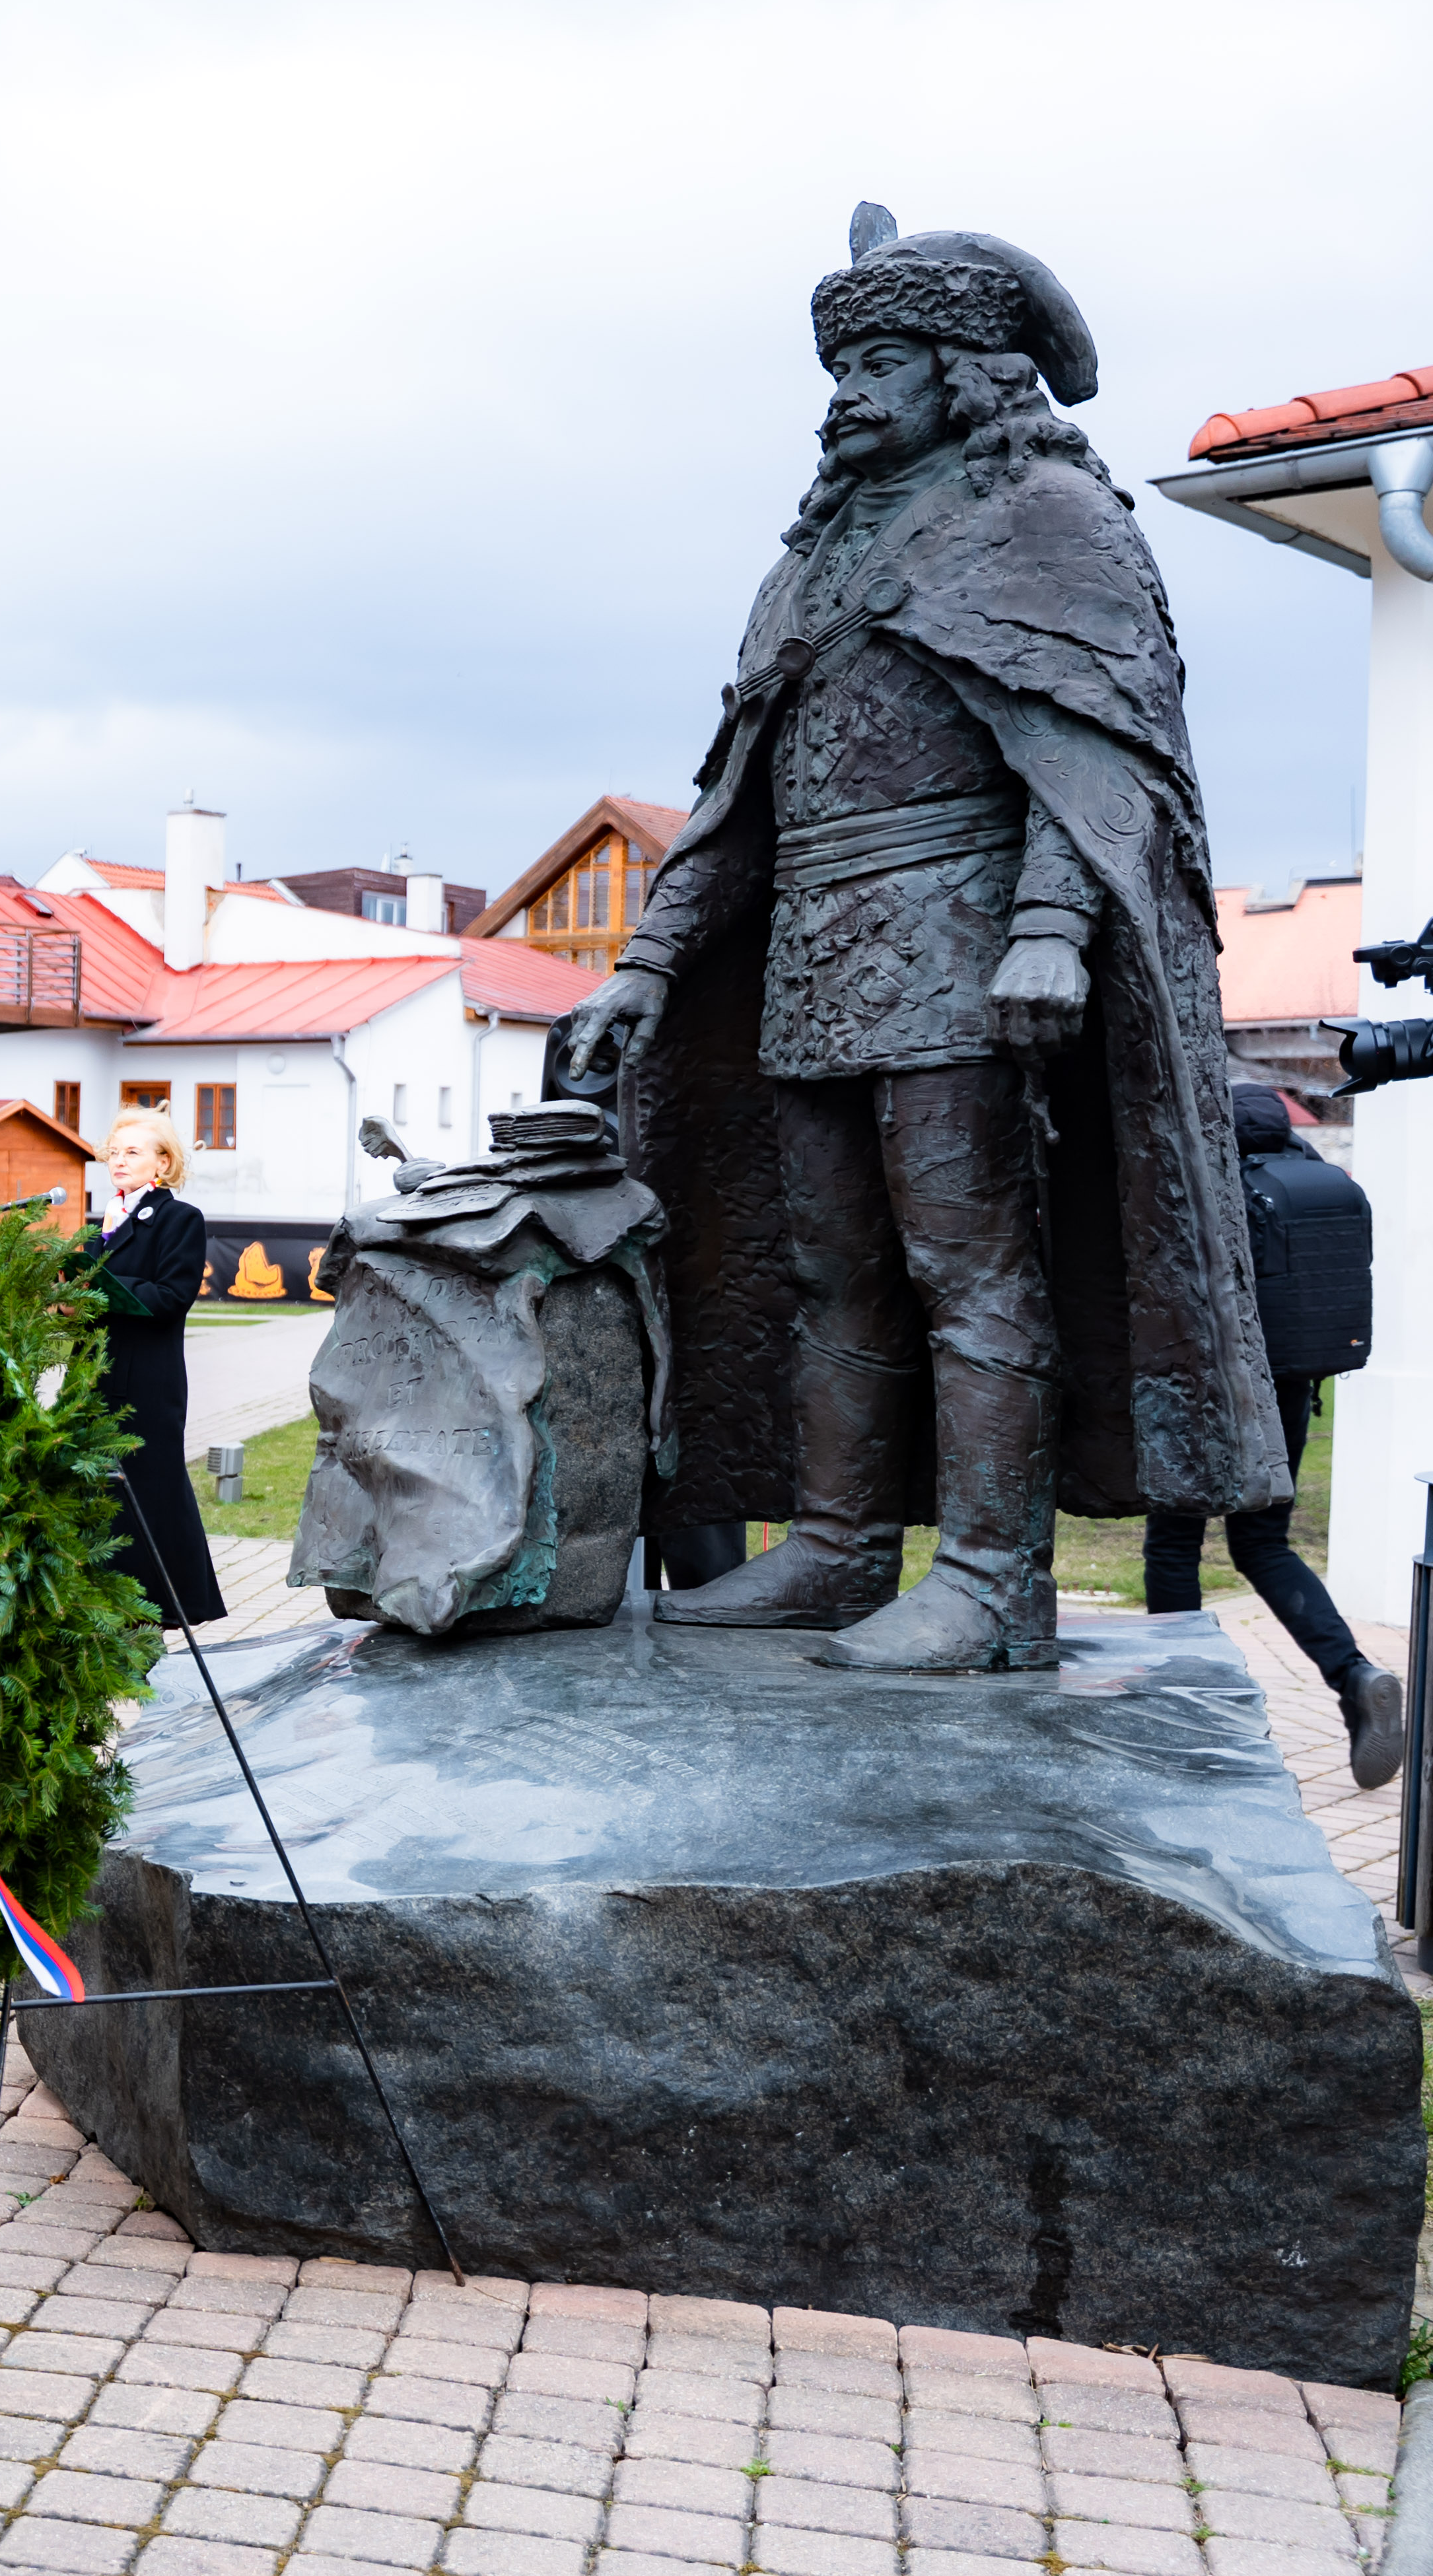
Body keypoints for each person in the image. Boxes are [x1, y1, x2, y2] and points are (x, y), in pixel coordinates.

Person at [558, 206, 1286, 1675]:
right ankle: (834, 1551)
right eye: (842, 364)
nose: (847, 392)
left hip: (965, 956)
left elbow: (1091, 760)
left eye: (881, 358)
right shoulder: (813, 562)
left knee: (971, 1265)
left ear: (966, 371)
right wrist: (646, 965)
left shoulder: (1052, 523)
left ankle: (993, 1575)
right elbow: (738, 798)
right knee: (831, 1270)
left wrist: (1046, 930)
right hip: (813, 959)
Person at [1143, 1084, 1401, 1784]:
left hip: (1204, 1386)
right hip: (1288, 1385)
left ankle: (1185, 1707)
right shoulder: (1311, 1166)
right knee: (1262, 1542)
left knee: (1174, 1542)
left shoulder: (1205, 1174)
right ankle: (1353, 1675)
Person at [74, 1112, 225, 1627]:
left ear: (163, 1162)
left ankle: (170, 1605)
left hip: (148, 1381)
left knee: (152, 1486)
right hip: (96, 1376)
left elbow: (172, 1297)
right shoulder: (108, 1220)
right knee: (105, 1491)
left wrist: (101, 1293)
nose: (119, 1160)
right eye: (114, 1151)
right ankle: (109, 1599)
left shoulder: (180, 1219)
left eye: (133, 1152)